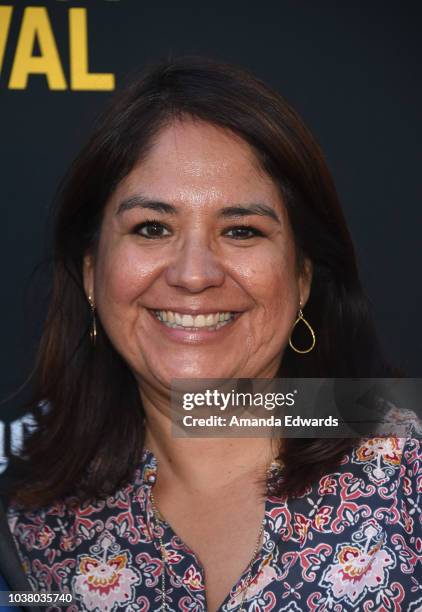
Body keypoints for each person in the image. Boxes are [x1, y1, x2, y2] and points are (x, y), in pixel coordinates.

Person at [4, 57, 421, 611]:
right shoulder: (31, 530)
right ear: (90, 272)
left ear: (301, 279)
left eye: (241, 231)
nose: (194, 274)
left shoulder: (409, 477)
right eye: (152, 228)